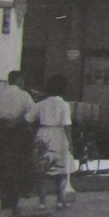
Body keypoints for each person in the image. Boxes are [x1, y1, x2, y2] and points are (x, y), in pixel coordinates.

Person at [0, 70, 36, 216]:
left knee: (4, 164)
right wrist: (18, 121)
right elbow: (32, 112)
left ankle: (5, 199)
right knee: (17, 163)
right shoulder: (24, 95)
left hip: (1, 130)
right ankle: (14, 199)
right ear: (20, 80)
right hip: (17, 130)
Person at [26, 75, 75, 209]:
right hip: (59, 135)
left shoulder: (40, 104)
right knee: (61, 169)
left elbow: (28, 119)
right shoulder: (64, 104)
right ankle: (60, 200)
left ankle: (42, 202)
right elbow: (67, 125)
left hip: (43, 134)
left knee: (42, 169)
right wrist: (70, 142)